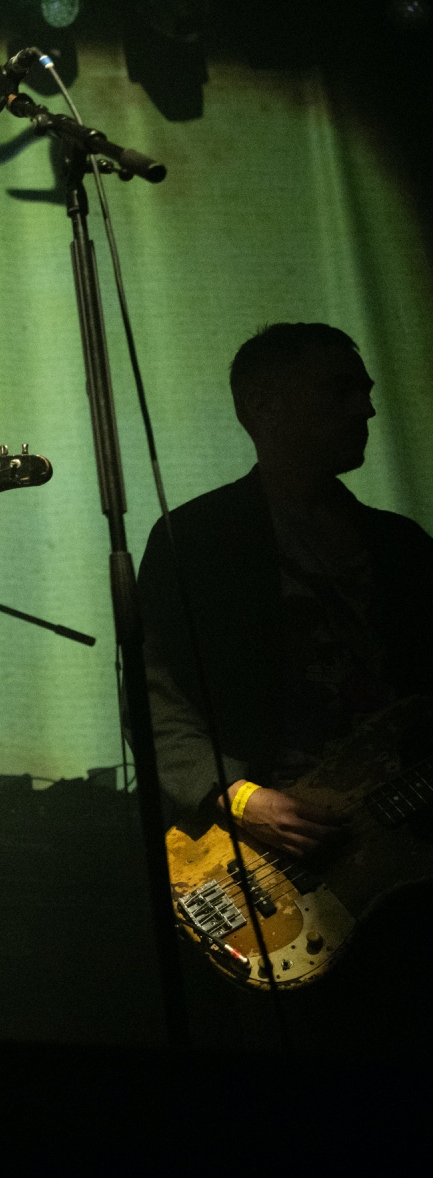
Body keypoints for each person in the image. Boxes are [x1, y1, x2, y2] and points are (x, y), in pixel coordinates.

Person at [138, 321, 432, 1046]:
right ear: (263, 406)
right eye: (340, 389)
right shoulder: (195, 539)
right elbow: (156, 695)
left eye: (365, 390)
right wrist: (234, 795)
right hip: (279, 872)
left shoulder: (402, 547)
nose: (365, 408)